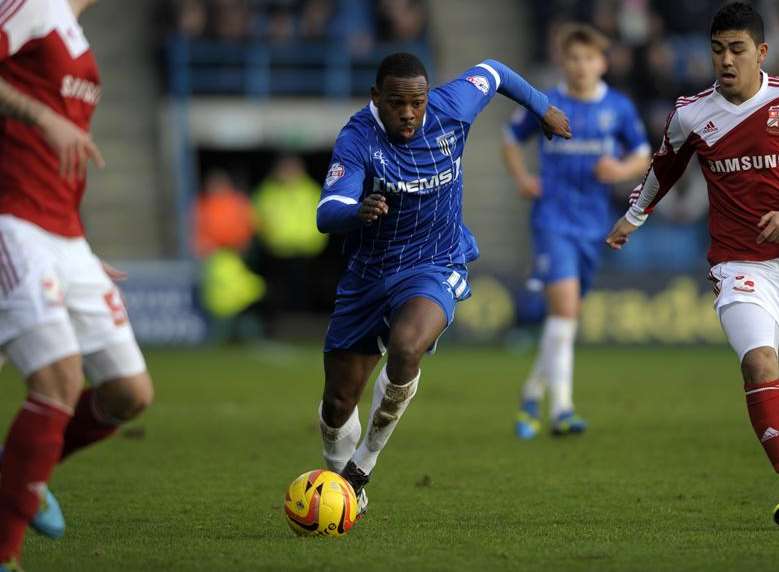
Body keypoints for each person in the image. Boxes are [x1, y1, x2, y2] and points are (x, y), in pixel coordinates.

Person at [315, 52, 571, 517]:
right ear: (377, 98)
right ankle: (337, 485)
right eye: (397, 103)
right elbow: (326, 212)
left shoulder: (453, 106)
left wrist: (542, 106)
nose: (409, 113)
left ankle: (360, 471)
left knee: (407, 347)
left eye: (417, 101)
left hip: (435, 262)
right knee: (337, 404)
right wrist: (357, 211)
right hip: (369, 275)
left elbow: (495, 71)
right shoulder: (357, 139)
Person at [606, 2, 779, 522]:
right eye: (717, 50)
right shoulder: (691, 114)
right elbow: (664, 167)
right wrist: (632, 218)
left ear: (761, 52)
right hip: (738, 266)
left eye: (737, 49)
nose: (725, 60)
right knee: (760, 363)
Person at [0, 0, 154, 568]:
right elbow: (43, 126)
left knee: (129, 393)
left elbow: (59, 156)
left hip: (63, 234)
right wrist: (41, 116)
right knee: (59, 382)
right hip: (15, 221)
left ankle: (15, 470)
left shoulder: (71, 30)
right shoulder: (30, 5)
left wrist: (81, 249)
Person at [503, 23, 650, 439]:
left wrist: (620, 169)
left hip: (593, 224)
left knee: (564, 322)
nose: (580, 66)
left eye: (588, 58)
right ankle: (561, 410)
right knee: (564, 312)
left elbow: (643, 155)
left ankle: (532, 393)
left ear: (602, 63)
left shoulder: (618, 107)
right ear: (562, 62)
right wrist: (522, 178)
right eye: (572, 58)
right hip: (552, 219)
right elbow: (509, 137)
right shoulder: (546, 104)